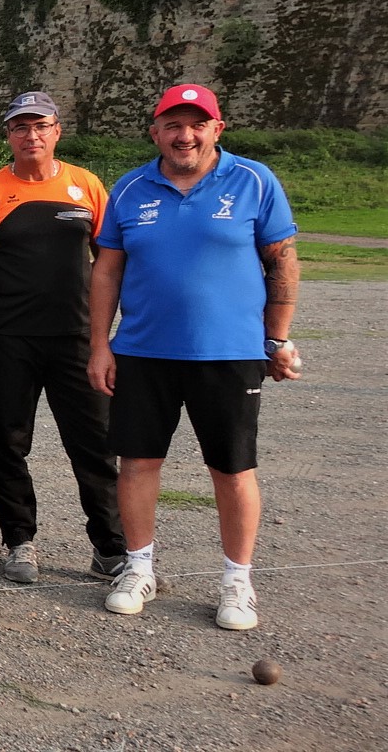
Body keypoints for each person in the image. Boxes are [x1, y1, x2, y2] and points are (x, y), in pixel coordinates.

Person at [87, 83, 299, 631]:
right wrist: (100, 344)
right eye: (173, 125)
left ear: (216, 129)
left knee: (232, 468)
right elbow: (107, 270)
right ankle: (138, 569)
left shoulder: (253, 180)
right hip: (143, 350)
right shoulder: (131, 188)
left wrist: (276, 338)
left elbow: (281, 262)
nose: (185, 135)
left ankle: (236, 581)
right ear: (155, 132)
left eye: (197, 124)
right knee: (136, 463)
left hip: (228, 353)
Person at [0, 92, 125, 584]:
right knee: (9, 441)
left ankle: (111, 548)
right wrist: (6, 299)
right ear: (8, 135)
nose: (31, 136)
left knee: (94, 444)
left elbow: (111, 262)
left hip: (78, 338)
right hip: (11, 339)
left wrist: (106, 330)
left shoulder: (87, 186)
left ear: (57, 131)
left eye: (40, 126)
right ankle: (19, 542)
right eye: (19, 127)